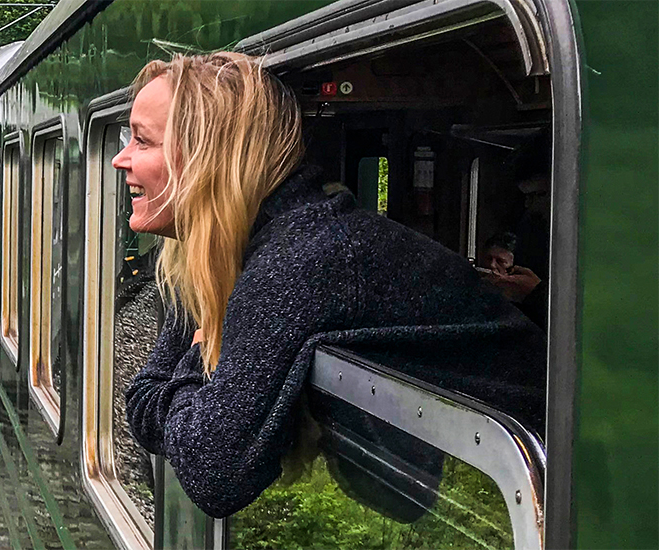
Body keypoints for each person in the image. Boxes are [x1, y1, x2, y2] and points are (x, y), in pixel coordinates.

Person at [117, 52, 545, 519]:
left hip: (551, 483)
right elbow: (141, 399)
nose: (121, 160)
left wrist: (201, 364)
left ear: (209, 159)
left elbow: (212, 473)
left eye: (142, 141)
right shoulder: (234, 249)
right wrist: (199, 387)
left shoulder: (302, 258)